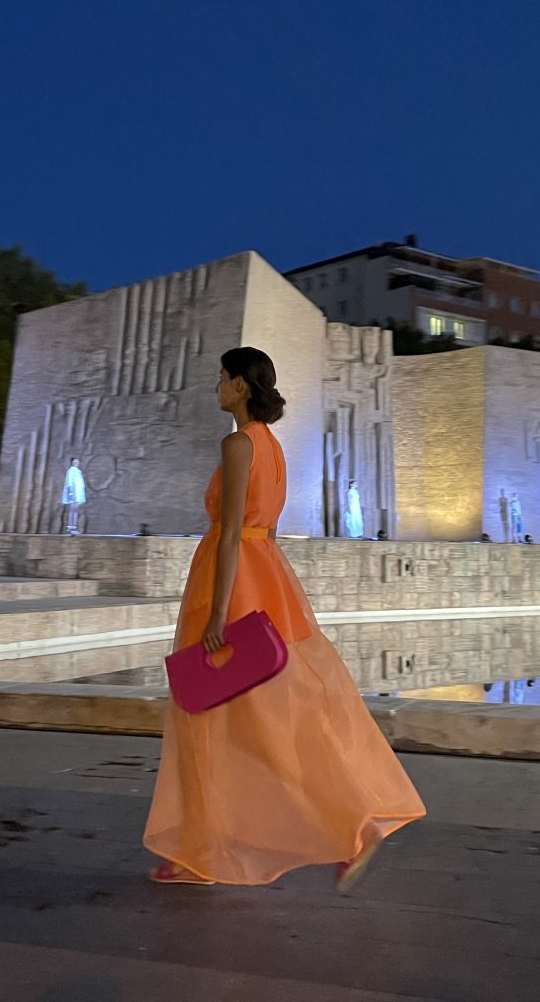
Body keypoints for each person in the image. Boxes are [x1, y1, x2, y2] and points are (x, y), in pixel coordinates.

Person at [144, 347, 425, 890]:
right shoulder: (272, 448)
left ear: (241, 387)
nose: (217, 386)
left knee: (209, 715)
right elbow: (263, 532)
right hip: (267, 575)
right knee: (274, 718)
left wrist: (217, 613)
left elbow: (229, 533)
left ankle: (341, 828)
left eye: (223, 378)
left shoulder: (237, 444)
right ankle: (204, 848)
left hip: (227, 582)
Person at [62, 458, 86, 534]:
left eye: (77, 461)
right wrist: (71, 492)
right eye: (75, 461)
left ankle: (74, 526)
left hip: (78, 493)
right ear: (72, 462)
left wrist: (81, 493)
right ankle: (70, 526)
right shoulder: (71, 471)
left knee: (75, 510)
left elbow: (81, 483)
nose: (76, 463)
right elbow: (69, 482)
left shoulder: (79, 472)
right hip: (73, 493)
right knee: (72, 509)